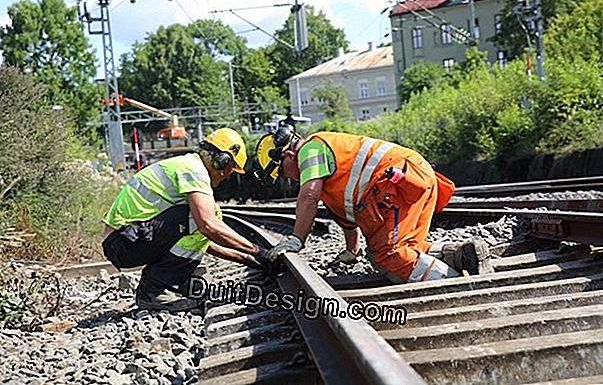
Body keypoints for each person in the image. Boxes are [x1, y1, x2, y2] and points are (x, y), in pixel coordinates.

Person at [254, 125, 493, 284]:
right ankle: (463, 255)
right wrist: (351, 252)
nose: (288, 178)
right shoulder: (330, 179)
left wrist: (297, 239)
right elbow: (348, 222)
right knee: (411, 246)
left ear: (287, 157)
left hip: (397, 184)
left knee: (386, 255)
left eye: (282, 173)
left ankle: (452, 283)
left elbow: (308, 196)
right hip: (414, 177)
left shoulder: (311, 149)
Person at [102, 128, 264, 311]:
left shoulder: (188, 165)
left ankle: (176, 282)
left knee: (205, 217)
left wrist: (247, 259)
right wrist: (258, 251)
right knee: (206, 217)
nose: (228, 176)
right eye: (231, 169)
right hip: (124, 241)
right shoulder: (193, 171)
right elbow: (207, 226)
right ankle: (155, 291)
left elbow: (201, 241)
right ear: (222, 161)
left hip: (126, 240)